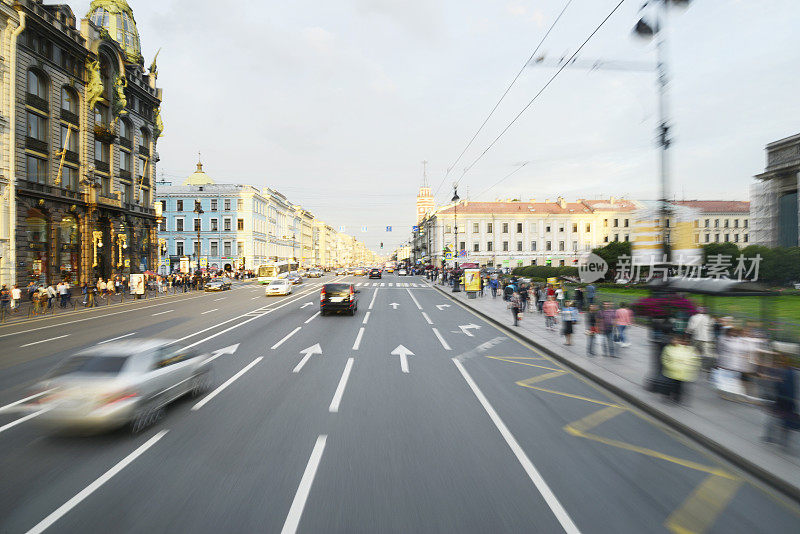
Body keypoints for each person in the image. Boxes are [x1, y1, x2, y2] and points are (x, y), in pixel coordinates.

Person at [762, 352, 798, 448]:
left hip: (782, 399)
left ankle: (769, 437)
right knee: (786, 420)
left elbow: (778, 386)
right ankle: (783, 441)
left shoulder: (782, 371)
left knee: (774, 418)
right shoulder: (793, 372)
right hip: (790, 401)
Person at [661, 334, 700, 404]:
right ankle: (668, 396)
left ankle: (676, 398)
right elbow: (664, 358)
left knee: (678, 386)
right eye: (674, 340)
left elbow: (693, 360)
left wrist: (689, 368)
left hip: (681, 372)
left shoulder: (688, 349)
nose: (676, 341)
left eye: (677, 340)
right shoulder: (668, 348)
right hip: (671, 371)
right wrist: (669, 365)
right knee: (669, 384)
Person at [686, 306, 715, 373]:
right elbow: (710, 328)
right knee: (706, 353)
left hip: (696, 337)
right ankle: (705, 367)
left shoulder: (693, 317)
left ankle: (692, 365)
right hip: (706, 338)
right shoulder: (708, 317)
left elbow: (691, 328)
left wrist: (687, 333)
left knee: (693, 351)